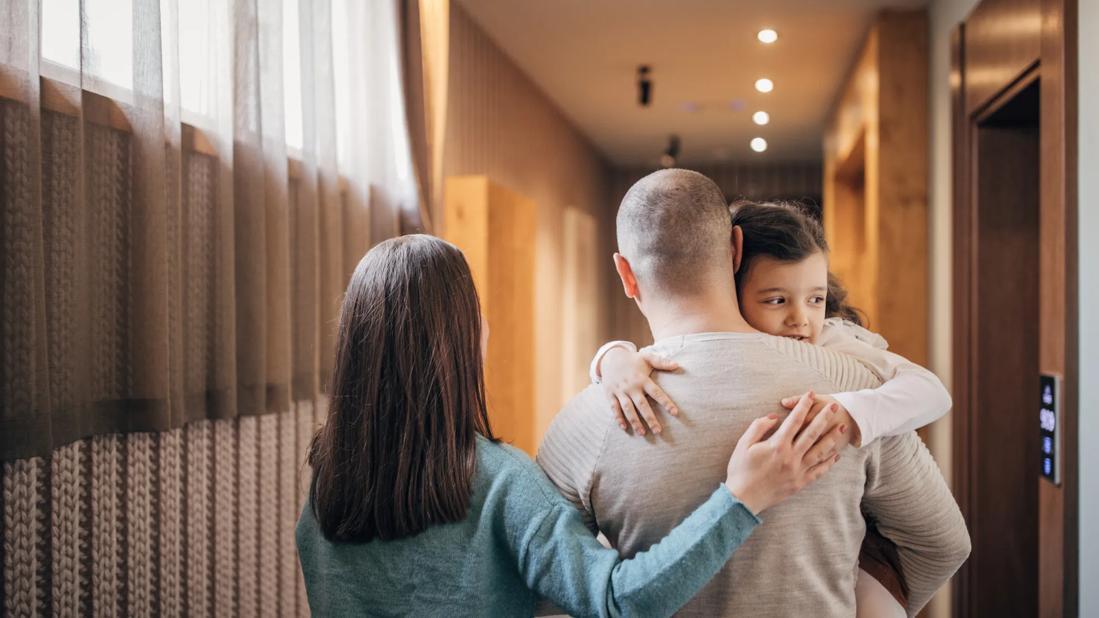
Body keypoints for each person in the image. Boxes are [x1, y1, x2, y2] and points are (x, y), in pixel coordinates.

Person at [295, 234, 846, 618]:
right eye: (476, 309)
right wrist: (742, 498)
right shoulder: (497, 482)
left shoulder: (326, 487)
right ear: (457, 338)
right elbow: (619, 601)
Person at [536, 170, 971, 617]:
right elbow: (941, 543)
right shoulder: (850, 391)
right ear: (735, 250)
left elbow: (546, 590)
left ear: (626, 274)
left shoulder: (588, 419)